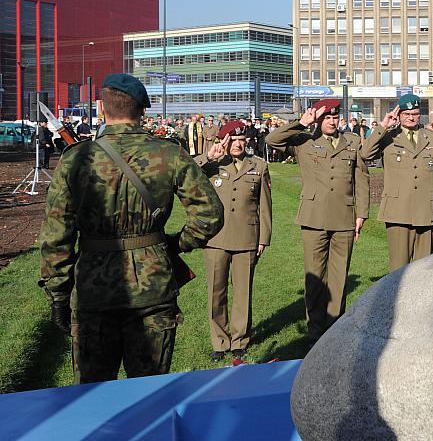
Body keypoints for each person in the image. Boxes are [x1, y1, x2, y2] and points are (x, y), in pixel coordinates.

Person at [39, 74, 224, 384]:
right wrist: (175, 244)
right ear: (143, 111)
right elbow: (210, 214)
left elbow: (56, 234)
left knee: (94, 396)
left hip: (93, 291)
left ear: (102, 108)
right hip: (152, 289)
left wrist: (58, 293)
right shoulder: (168, 153)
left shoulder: (75, 159)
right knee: (149, 391)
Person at [266, 99, 369, 344]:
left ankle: (334, 332)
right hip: (314, 217)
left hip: (344, 217)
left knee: (339, 278)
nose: (332, 122)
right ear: (317, 119)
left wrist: (361, 214)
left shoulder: (351, 142)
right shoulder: (304, 141)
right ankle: (314, 331)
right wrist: (301, 123)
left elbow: (361, 179)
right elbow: (272, 140)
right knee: (314, 277)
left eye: (335, 117)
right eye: (326, 118)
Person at [195, 122, 272, 362]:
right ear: (224, 141)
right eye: (233, 140)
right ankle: (220, 341)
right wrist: (209, 156)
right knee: (216, 292)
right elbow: (186, 170)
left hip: (247, 237)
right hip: (216, 238)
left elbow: (265, 206)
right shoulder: (213, 165)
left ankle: (239, 340)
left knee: (242, 292)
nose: (238, 144)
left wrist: (263, 238)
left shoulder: (258, 166)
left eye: (241, 140)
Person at [360, 94, 433, 271]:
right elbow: (365, 154)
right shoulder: (389, 137)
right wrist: (383, 126)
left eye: (415, 114)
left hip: (426, 210)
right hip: (397, 210)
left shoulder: (432, 139)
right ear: (399, 115)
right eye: (406, 114)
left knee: (424, 269)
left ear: (420, 115)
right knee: (398, 269)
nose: (411, 117)